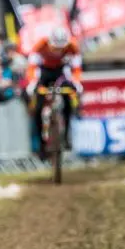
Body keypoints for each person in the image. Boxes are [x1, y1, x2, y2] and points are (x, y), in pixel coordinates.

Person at [26, 27, 82, 157]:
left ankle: (66, 135)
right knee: (38, 108)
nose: (58, 51)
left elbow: (76, 68)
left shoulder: (72, 46)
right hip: (44, 72)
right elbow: (32, 68)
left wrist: (77, 82)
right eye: (55, 48)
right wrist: (32, 83)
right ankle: (42, 144)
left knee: (68, 101)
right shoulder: (40, 45)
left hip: (61, 72)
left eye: (60, 48)